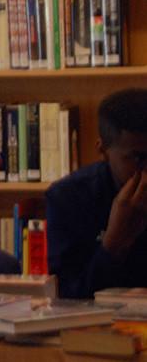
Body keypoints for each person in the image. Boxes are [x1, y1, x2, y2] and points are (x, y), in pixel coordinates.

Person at [46, 88, 147, 298]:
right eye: (138, 158)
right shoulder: (68, 199)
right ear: (103, 152)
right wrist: (113, 242)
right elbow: (67, 297)